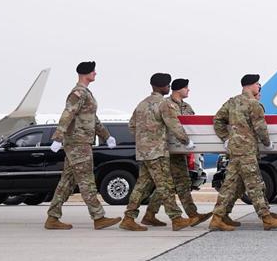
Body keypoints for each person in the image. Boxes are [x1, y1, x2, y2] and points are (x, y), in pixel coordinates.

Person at [44, 61, 121, 230]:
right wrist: (58, 137)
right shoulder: (78, 93)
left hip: (81, 141)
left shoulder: (87, 93)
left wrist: (106, 136)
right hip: (77, 143)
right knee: (87, 180)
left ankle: (52, 217)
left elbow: (93, 119)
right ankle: (99, 217)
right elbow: (68, 114)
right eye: (93, 71)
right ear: (85, 73)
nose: (95, 73)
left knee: (67, 182)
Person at [209, 74, 277, 231]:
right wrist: (267, 143)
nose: (259, 87)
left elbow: (217, 120)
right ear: (251, 85)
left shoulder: (232, 102)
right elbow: (260, 127)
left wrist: (226, 138)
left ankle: (219, 217)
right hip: (247, 151)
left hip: (235, 149)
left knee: (231, 185)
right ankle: (266, 218)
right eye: (258, 84)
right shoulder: (253, 104)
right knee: (255, 184)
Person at [120, 73, 196, 232]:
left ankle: (128, 218)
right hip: (157, 152)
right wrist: (186, 141)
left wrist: (144, 140)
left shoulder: (141, 104)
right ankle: (176, 219)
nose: (169, 87)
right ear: (161, 86)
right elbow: (174, 125)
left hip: (144, 152)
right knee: (166, 185)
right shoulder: (164, 104)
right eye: (167, 85)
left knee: (142, 186)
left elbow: (131, 126)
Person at [141, 78, 211, 227]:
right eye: (186, 88)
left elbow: (192, 126)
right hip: (167, 151)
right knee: (167, 186)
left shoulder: (187, 106)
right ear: (178, 89)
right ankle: (186, 215)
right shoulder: (165, 104)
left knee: (181, 183)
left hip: (180, 152)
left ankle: (153, 214)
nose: (188, 90)